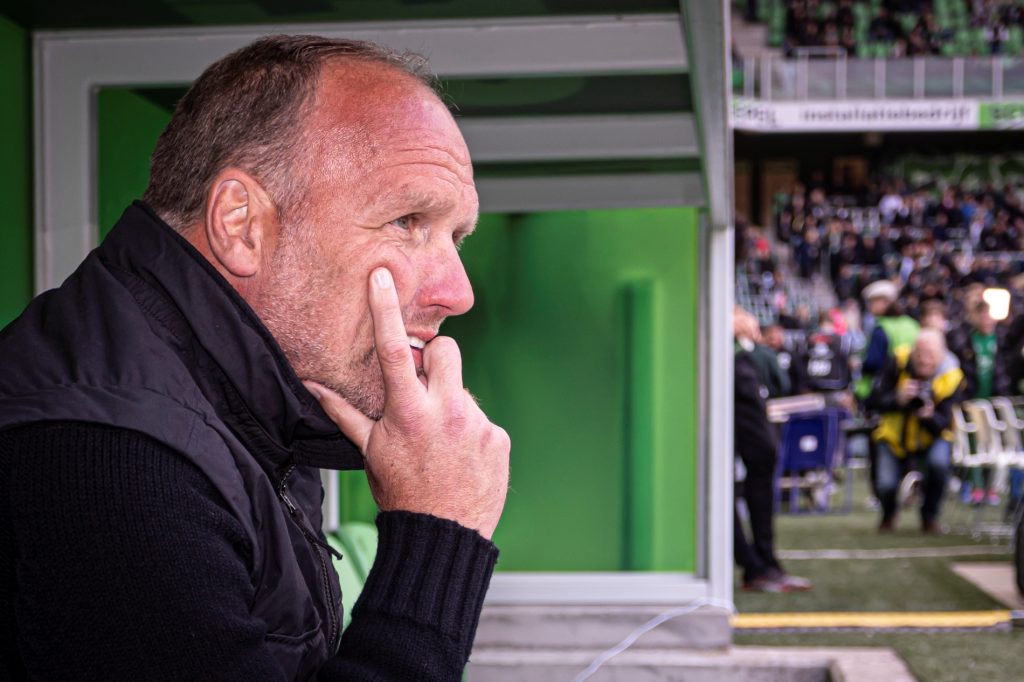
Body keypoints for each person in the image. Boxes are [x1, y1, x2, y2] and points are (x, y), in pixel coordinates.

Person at [0, 36, 510, 680]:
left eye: (456, 237)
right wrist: (436, 531)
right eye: (407, 221)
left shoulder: (244, 409)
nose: (457, 292)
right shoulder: (109, 455)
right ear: (241, 224)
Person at [734, 309, 811, 593]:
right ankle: (756, 565)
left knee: (759, 469)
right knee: (723, 487)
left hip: (746, 413)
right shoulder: (739, 352)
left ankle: (761, 564)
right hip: (739, 409)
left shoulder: (745, 353)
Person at [867, 329, 965, 533]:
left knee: (939, 463)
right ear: (912, 352)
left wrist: (930, 415)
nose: (924, 360)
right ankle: (888, 514)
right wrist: (898, 398)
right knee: (885, 484)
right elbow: (873, 401)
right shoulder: (897, 362)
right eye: (919, 354)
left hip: (932, 436)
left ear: (941, 355)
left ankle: (929, 516)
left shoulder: (952, 377)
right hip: (894, 436)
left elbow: (945, 422)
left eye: (930, 355)